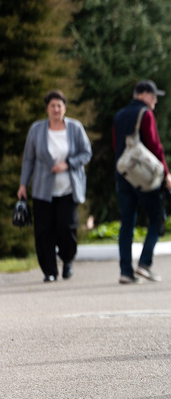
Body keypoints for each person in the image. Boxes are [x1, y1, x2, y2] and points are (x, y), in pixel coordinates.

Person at [18, 91, 92, 282]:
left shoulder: (75, 128)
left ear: (65, 108)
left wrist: (68, 163)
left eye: (59, 105)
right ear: (47, 109)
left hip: (68, 188)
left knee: (67, 228)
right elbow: (28, 159)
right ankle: (49, 271)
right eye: (52, 106)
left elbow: (86, 153)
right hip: (43, 190)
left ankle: (67, 259)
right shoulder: (36, 130)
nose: (56, 109)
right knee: (43, 232)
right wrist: (23, 184)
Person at [113, 80, 171, 284]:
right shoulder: (145, 114)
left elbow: (117, 146)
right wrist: (166, 173)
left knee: (127, 223)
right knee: (156, 218)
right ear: (144, 94)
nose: (155, 100)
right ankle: (144, 264)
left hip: (123, 174)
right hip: (145, 176)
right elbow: (155, 146)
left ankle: (125, 271)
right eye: (154, 96)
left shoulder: (120, 115)